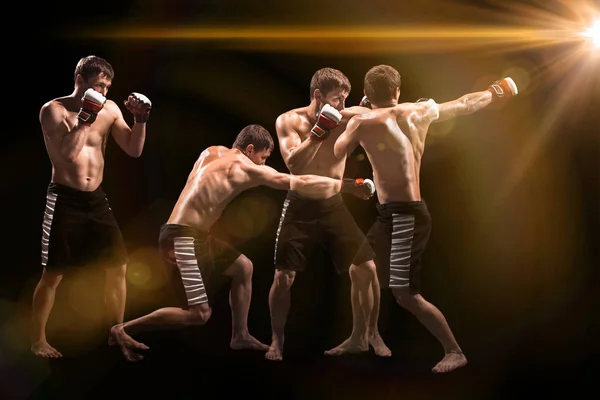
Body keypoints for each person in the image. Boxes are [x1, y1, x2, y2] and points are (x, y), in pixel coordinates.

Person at [333, 64, 518, 373]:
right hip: (389, 214)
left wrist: (337, 118)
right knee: (359, 269)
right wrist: (495, 91)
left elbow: (337, 144)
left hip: (407, 216)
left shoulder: (361, 121)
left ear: (367, 94)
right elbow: (463, 104)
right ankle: (360, 337)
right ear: (397, 91)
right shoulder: (418, 112)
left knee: (405, 295)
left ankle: (454, 351)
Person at [109, 124, 346, 362]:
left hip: (195, 235)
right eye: (262, 158)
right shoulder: (244, 167)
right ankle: (125, 329)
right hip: (183, 238)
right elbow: (298, 182)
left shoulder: (209, 152)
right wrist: (345, 185)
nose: (262, 164)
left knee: (244, 267)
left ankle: (240, 335)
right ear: (250, 149)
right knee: (199, 314)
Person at [266, 67, 390, 362]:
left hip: (333, 204)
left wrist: (418, 109)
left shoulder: (346, 116)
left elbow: (384, 117)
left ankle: (367, 335)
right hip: (300, 204)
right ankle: (276, 342)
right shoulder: (288, 120)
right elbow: (294, 165)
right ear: (318, 96)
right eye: (337, 99)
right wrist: (318, 132)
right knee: (283, 277)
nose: (342, 107)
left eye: (345, 100)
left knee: (367, 269)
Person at [31, 55, 151, 358]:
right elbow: (68, 155)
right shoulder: (53, 110)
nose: (105, 92)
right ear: (80, 81)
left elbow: (134, 150)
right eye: (99, 85)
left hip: (96, 198)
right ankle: (38, 340)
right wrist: (86, 115)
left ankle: (117, 332)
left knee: (118, 266)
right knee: (54, 274)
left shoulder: (109, 110)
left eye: (108, 86)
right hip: (64, 199)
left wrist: (140, 120)